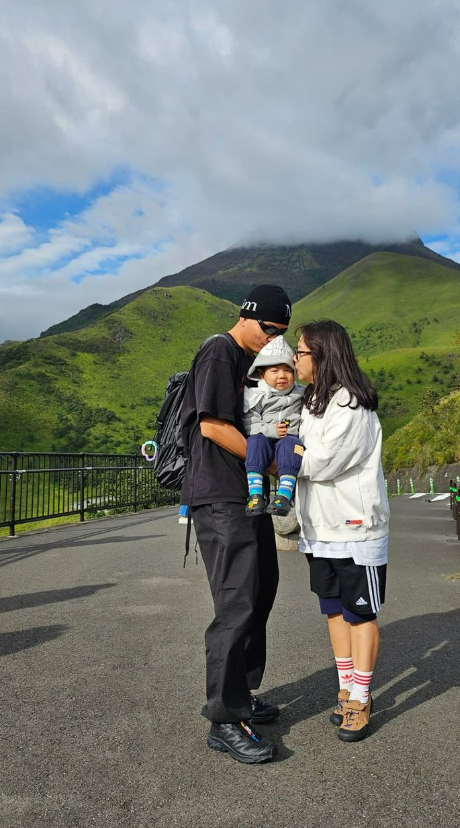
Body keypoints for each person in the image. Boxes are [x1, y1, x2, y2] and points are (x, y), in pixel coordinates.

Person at [179, 284, 292, 764]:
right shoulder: (219, 350)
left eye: (281, 333)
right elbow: (212, 426)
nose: (272, 339)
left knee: (262, 589)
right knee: (236, 602)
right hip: (220, 496)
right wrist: (267, 465)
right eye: (268, 328)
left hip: (245, 498)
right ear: (245, 317)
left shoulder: (246, 363)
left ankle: (243, 693)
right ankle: (224, 719)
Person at [293, 319, 390, 742]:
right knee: (333, 609)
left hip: (355, 528)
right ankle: (346, 687)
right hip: (320, 527)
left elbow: (321, 462)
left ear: (322, 355)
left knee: (359, 612)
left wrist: (282, 455)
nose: (294, 360)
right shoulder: (313, 401)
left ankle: (362, 697)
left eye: (300, 352)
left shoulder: (350, 404)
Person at [243, 337, 305, 517]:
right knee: (255, 441)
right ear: (262, 374)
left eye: (288, 370)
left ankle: (284, 496)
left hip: (289, 439)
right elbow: (249, 423)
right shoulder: (257, 395)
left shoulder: (301, 393)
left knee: (291, 445)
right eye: (275, 370)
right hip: (264, 439)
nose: (282, 376)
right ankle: (255, 494)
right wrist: (271, 430)